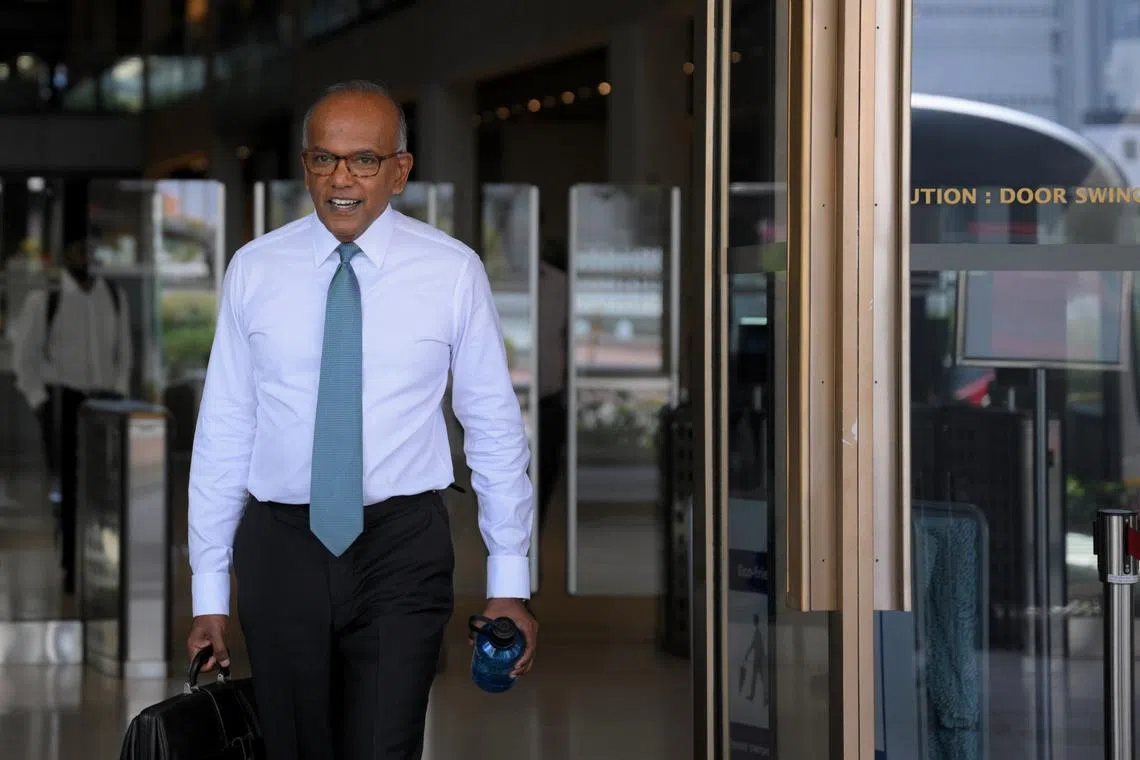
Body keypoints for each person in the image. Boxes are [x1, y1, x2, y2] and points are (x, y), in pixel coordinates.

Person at [185, 79, 538, 760]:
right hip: (281, 545)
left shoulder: (451, 272)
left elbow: (493, 426)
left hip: (401, 545)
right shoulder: (256, 270)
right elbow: (225, 428)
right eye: (324, 159)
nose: (341, 179)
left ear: (399, 171)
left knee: (384, 743)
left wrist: (509, 585)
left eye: (364, 161)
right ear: (306, 164)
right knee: (293, 746)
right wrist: (209, 590)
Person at [11, 236, 131, 593]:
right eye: (79, 249)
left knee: (106, 488)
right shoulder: (45, 299)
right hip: (64, 401)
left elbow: (123, 351)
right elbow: (25, 358)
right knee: (68, 489)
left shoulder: (112, 295)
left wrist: (120, 395)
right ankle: (70, 565)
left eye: (90, 248)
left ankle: (102, 561)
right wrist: (41, 402)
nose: (85, 255)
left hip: (106, 402)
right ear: (67, 252)